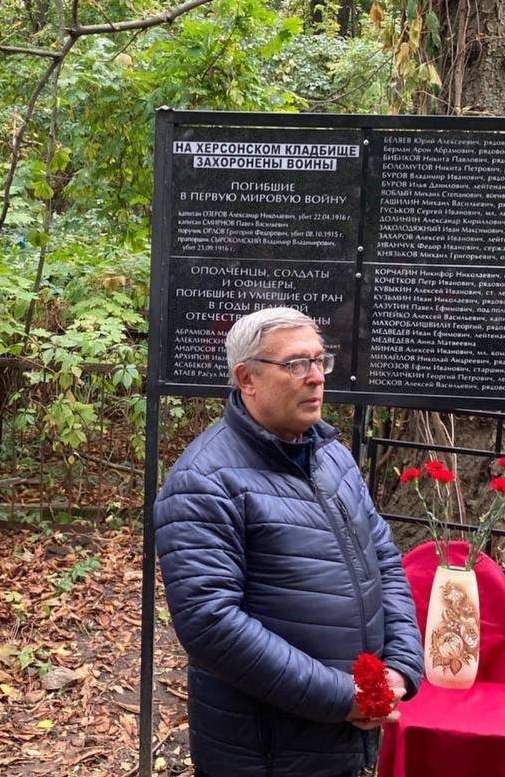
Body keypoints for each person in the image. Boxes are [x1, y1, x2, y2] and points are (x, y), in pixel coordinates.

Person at [154, 306, 425, 777]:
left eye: (319, 360)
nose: (316, 377)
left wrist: (400, 666)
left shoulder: (331, 456)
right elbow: (210, 623)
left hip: (340, 739)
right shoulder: (204, 481)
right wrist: (341, 698)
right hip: (265, 752)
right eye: (296, 364)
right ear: (247, 378)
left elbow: (382, 559)